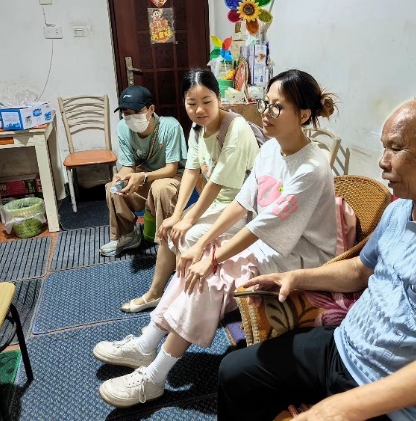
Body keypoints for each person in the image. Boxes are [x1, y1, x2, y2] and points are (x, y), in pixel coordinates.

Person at [217, 94, 416, 421]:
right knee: (234, 373)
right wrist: (296, 277)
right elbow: (361, 269)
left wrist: (339, 407)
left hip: (412, 405)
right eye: (383, 147)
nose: (382, 161)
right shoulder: (400, 209)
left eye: (395, 148)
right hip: (344, 347)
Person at [93, 69, 340, 409]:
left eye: (277, 107)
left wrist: (212, 256)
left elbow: (261, 225)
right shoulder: (271, 150)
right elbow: (242, 203)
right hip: (268, 243)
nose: (266, 113)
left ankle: (155, 378)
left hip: (299, 258)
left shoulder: (311, 168)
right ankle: (147, 343)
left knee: (210, 276)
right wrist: (201, 246)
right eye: (266, 103)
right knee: (197, 259)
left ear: (304, 114)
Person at [118, 69, 260, 313]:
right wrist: (177, 215)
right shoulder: (197, 127)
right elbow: (192, 171)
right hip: (218, 203)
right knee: (168, 230)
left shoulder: (236, 128)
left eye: (207, 101)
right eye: (192, 103)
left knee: (185, 235)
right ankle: (155, 294)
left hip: (243, 206)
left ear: (219, 98)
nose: (199, 110)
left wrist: (189, 219)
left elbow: (215, 183)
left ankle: (181, 305)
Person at [99, 85, 187, 257]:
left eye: (137, 112)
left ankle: (168, 241)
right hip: (143, 174)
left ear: (151, 109)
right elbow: (128, 165)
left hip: (171, 176)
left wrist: (143, 176)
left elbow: (171, 169)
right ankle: (127, 235)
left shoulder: (170, 126)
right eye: (126, 113)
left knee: (161, 188)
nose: (131, 118)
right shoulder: (123, 128)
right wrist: (121, 176)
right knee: (113, 188)